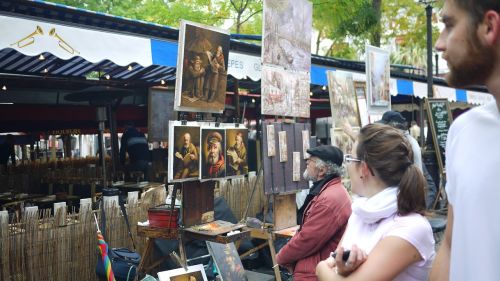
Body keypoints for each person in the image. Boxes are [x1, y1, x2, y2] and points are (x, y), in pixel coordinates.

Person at [430, 1, 500, 280]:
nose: (439, 43)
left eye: (449, 25)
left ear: (489, 27)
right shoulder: (464, 130)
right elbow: (450, 245)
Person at [316, 124, 435, 281]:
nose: (346, 166)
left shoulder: (411, 227)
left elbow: (325, 268)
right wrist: (342, 270)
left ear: (364, 169)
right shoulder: (360, 213)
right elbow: (337, 265)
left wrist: (321, 267)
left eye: (349, 159)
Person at [276, 145, 352, 281]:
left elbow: (307, 239)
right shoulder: (330, 191)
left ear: (322, 170)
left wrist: (281, 257)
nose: (306, 162)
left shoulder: (329, 199)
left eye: (310, 160)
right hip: (316, 268)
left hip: (313, 273)